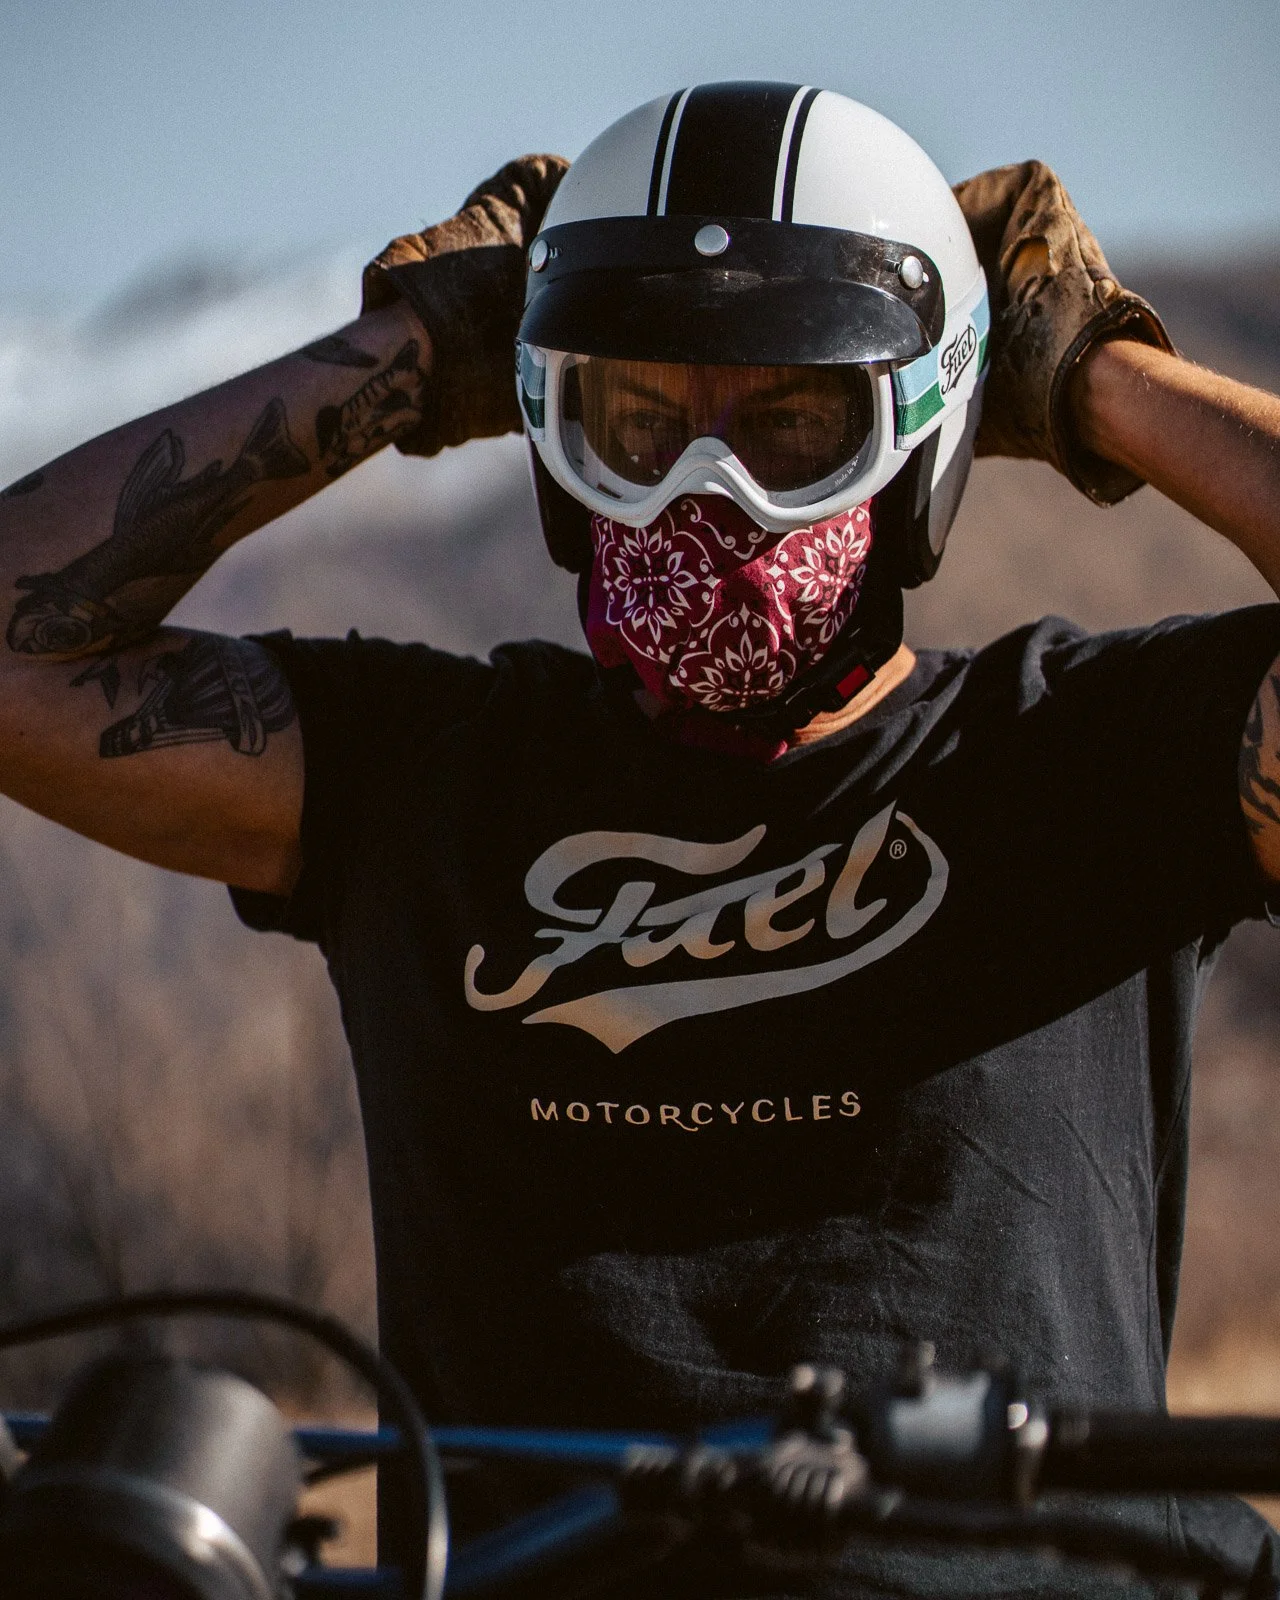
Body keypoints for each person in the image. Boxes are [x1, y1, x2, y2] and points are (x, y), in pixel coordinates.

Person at [3, 78, 1280, 1595]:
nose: (706, 493)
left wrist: (1082, 370)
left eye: (796, 425)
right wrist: (413, 352)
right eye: (638, 424)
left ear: (926, 435)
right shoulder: (420, 776)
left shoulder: (1087, 753)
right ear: (548, 435)